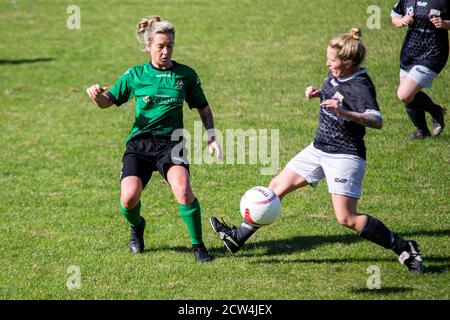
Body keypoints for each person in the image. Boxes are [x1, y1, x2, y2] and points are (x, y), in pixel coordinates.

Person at [210, 28, 424, 274]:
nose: (327, 63)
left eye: (332, 60)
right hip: (318, 147)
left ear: (348, 62)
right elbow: (335, 94)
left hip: (345, 155)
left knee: (346, 218)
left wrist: (343, 112)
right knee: (275, 187)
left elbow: (376, 120)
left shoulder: (360, 84)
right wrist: (319, 93)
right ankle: (237, 237)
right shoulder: (336, 73)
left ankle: (405, 247)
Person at [86, 16, 222, 262]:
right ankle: (137, 227)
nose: (166, 51)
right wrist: (97, 97)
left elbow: (203, 107)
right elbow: (108, 101)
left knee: (183, 191)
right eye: (160, 46)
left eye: (170, 45)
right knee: (128, 198)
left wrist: (212, 137)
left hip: (172, 143)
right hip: (140, 144)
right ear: (148, 45)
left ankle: (199, 246)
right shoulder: (136, 75)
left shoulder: (185, 75)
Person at [391, 0, 449, 139]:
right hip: (410, 53)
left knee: (404, 94)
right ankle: (422, 131)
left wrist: (445, 24)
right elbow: (394, 15)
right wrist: (402, 21)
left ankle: (435, 110)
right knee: (408, 97)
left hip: (433, 53)